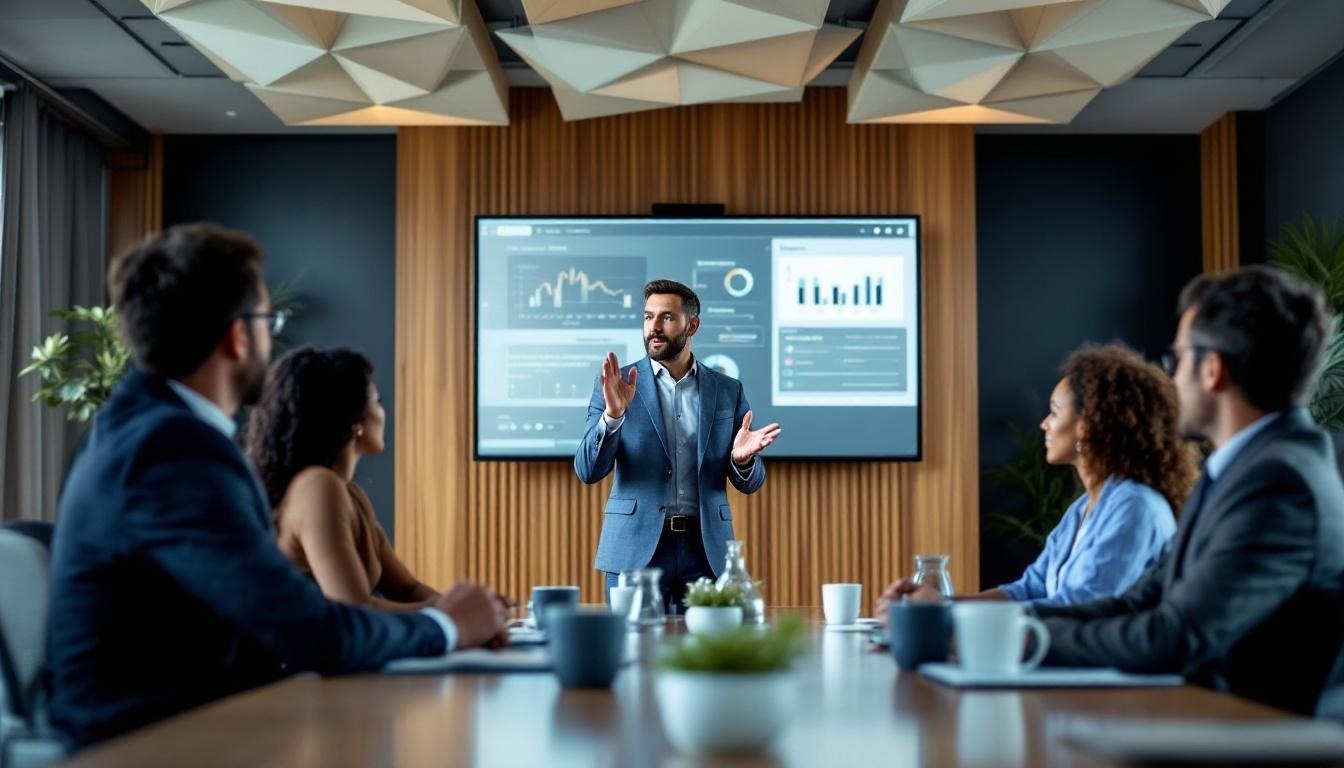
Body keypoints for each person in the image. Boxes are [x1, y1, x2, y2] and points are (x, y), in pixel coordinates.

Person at [48, 224, 510, 749]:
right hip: (151, 744)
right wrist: (446, 627)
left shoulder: (144, 429)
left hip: (191, 722)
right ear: (238, 336)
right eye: (270, 320)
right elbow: (307, 628)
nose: (273, 335)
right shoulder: (171, 450)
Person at [885, 265, 1344, 715]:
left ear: (1212, 370)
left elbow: (1174, 635)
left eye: (1178, 360)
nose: (1172, 377)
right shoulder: (1249, 469)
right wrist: (965, 622)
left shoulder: (1278, 483)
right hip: (1203, 718)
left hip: (1245, 736)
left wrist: (1006, 638)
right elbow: (1139, 601)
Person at [879, 344, 1191, 612]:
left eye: (1054, 412)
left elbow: (1080, 606)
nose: (1044, 424)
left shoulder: (1135, 507)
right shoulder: (1082, 509)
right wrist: (942, 605)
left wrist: (947, 615)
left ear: (1087, 426)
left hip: (1110, 676)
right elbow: (1028, 589)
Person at [574, 279, 781, 609]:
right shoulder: (615, 385)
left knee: (703, 655)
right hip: (634, 549)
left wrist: (742, 462)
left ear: (692, 324)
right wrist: (613, 418)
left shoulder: (727, 390)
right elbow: (587, 470)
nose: (654, 327)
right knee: (634, 655)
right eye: (647, 317)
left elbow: (752, 482)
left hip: (705, 551)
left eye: (666, 317)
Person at [246, 347, 434, 611]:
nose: (383, 412)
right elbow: (355, 610)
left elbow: (408, 589)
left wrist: (477, 610)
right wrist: (452, 614)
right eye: (376, 400)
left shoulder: (351, 494)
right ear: (355, 420)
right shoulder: (318, 486)